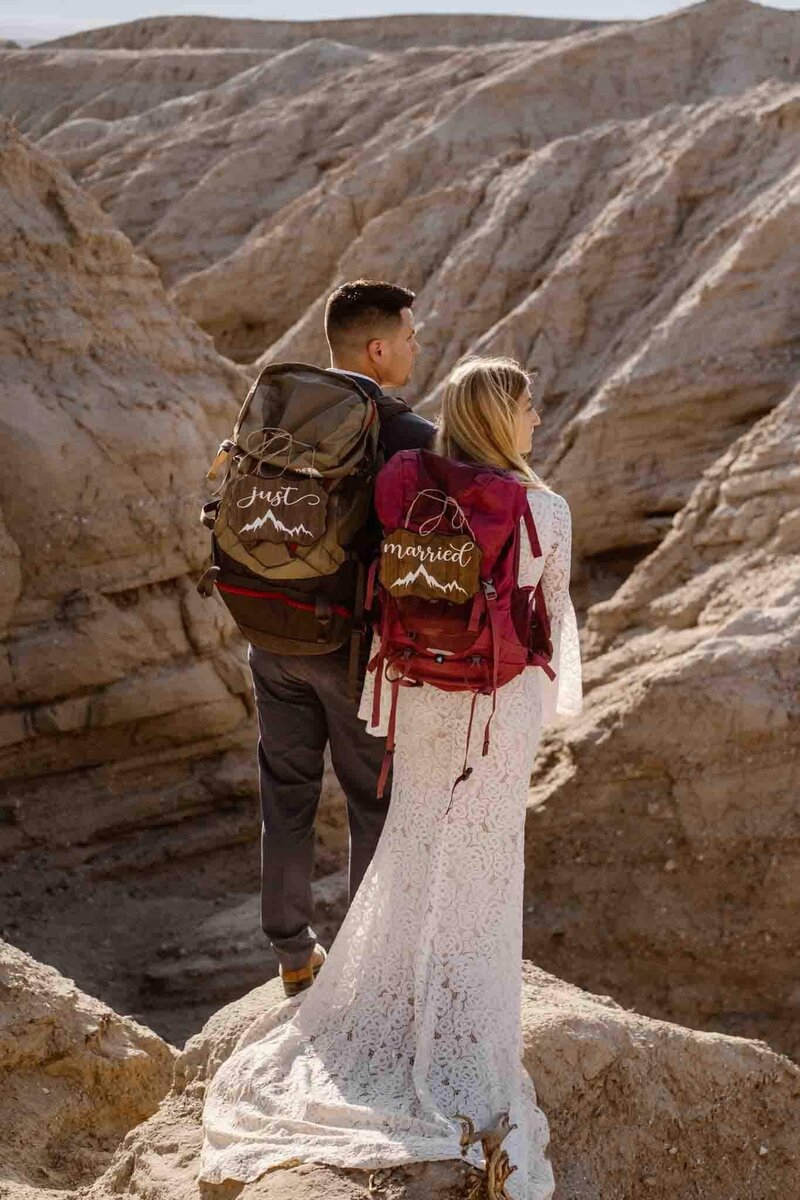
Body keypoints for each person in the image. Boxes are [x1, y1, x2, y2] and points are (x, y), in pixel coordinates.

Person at [201, 356, 582, 1200]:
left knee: (410, 835)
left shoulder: (405, 483)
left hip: (419, 692)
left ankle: (365, 979)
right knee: (483, 852)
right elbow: (552, 624)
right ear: (503, 418)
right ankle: (460, 1021)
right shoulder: (542, 508)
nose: (539, 420)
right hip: (492, 702)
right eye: (529, 406)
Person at [249, 279, 435, 998]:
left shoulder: (283, 409)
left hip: (270, 630)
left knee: (286, 791)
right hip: (351, 650)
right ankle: (372, 968)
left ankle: (293, 954)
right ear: (379, 347)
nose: (417, 349)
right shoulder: (404, 434)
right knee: (375, 801)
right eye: (411, 338)